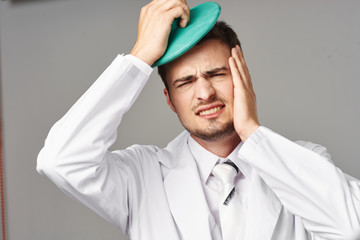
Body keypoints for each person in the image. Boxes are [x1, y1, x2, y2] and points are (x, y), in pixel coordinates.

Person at [37, 0, 360, 239]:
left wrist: (251, 131)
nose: (204, 93)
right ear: (170, 100)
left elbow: (351, 227)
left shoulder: (303, 162)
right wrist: (140, 57)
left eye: (216, 74)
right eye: (185, 82)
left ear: (242, 76)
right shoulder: (141, 178)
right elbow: (60, 161)